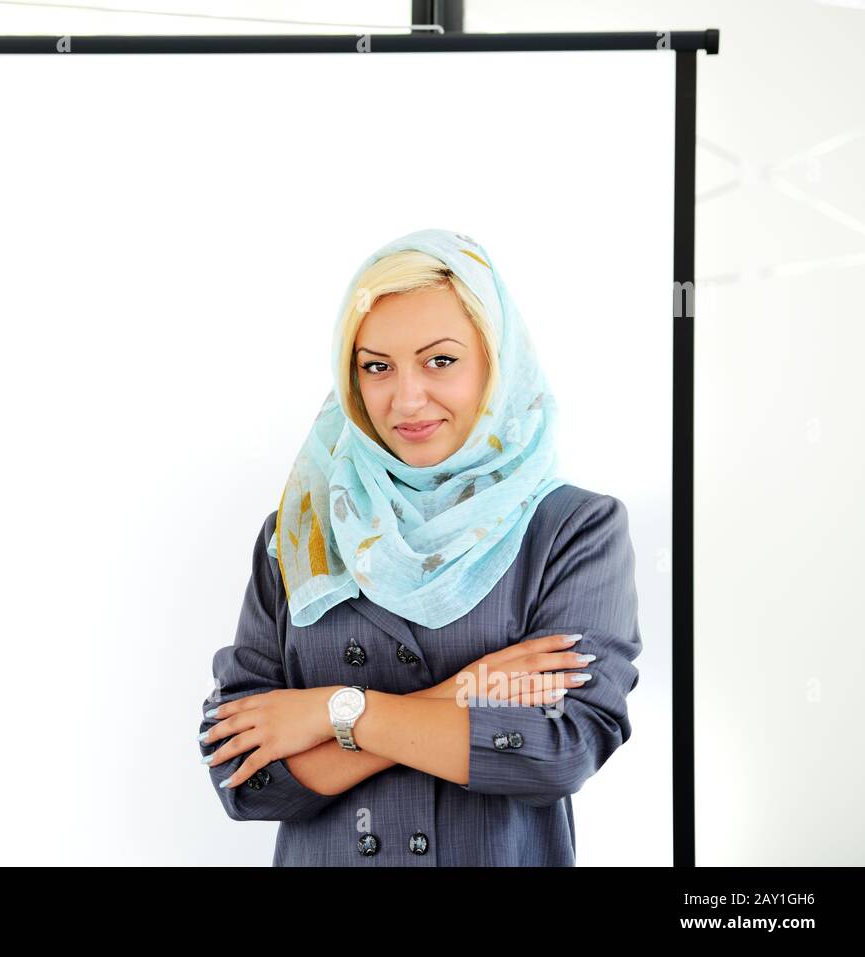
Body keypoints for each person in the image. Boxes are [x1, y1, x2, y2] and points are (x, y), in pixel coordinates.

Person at [197, 227, 643, 866]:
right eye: (376, 366)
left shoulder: (571, 529)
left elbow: (562, 750)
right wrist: (464, 691)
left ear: (497, 360)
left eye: (440, 360)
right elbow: (243, 774)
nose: (406, 399)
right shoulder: (301, 536)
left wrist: (331, 711)